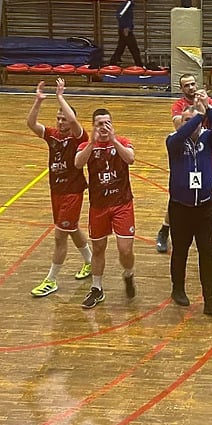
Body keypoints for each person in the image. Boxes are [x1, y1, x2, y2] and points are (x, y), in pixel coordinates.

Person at [26, 78, 92, 297]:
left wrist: (60, 97)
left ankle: (51, 280)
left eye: (64, 119)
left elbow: (73, 120)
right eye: (58, 118)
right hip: (56, 191)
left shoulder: (79, 137)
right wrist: (38, 101)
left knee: (60, 236)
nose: (61, 122)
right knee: (71, 228)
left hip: (73, 192)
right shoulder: (53, 135)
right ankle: (90, 260)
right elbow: (32, 124)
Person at [165, 90, 212, 317]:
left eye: (193, 120)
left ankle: (210, 299)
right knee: (180, 251)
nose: (190, 124)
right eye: (185, 120)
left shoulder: (207, 138)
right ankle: (178, 288)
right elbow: (183, 133)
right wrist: (198, 116)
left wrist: (208, 108)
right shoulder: (174, 140)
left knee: (207, 252)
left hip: (204, 208)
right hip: (180, 207)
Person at [75, 108, 137, 309]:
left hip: (122, 204)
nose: (103, 127)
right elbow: (78, 163)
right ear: (93, 126)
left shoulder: (122, 141)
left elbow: (130, 159)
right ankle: (97, 288)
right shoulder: (87, 146)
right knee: (98, 248)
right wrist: (91, 143)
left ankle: (128, 274)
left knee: (125, 249)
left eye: (107, 123)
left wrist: (114, 140)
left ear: (112, 124)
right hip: (99, 206)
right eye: (99, 124)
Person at [156, 74, 212, 253]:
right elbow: (180, 128)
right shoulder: (178, 106)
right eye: (187, 85)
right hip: (185, 153)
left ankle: (205, 231)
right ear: (181, 89)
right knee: (181, 195)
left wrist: (209, 107)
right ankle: (165, 228)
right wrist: (200, 115)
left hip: (205, 148)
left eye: (193, 84)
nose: (191, 87)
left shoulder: (205, 100)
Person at [109, 0, 144, 67]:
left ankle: (112, 63)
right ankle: (139, 65)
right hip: (126, 30)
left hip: (125, 30)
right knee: (134, 49)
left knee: (120, 48)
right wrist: (125, 27)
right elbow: (120, 15)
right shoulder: (128, 4)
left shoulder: (130, 5)